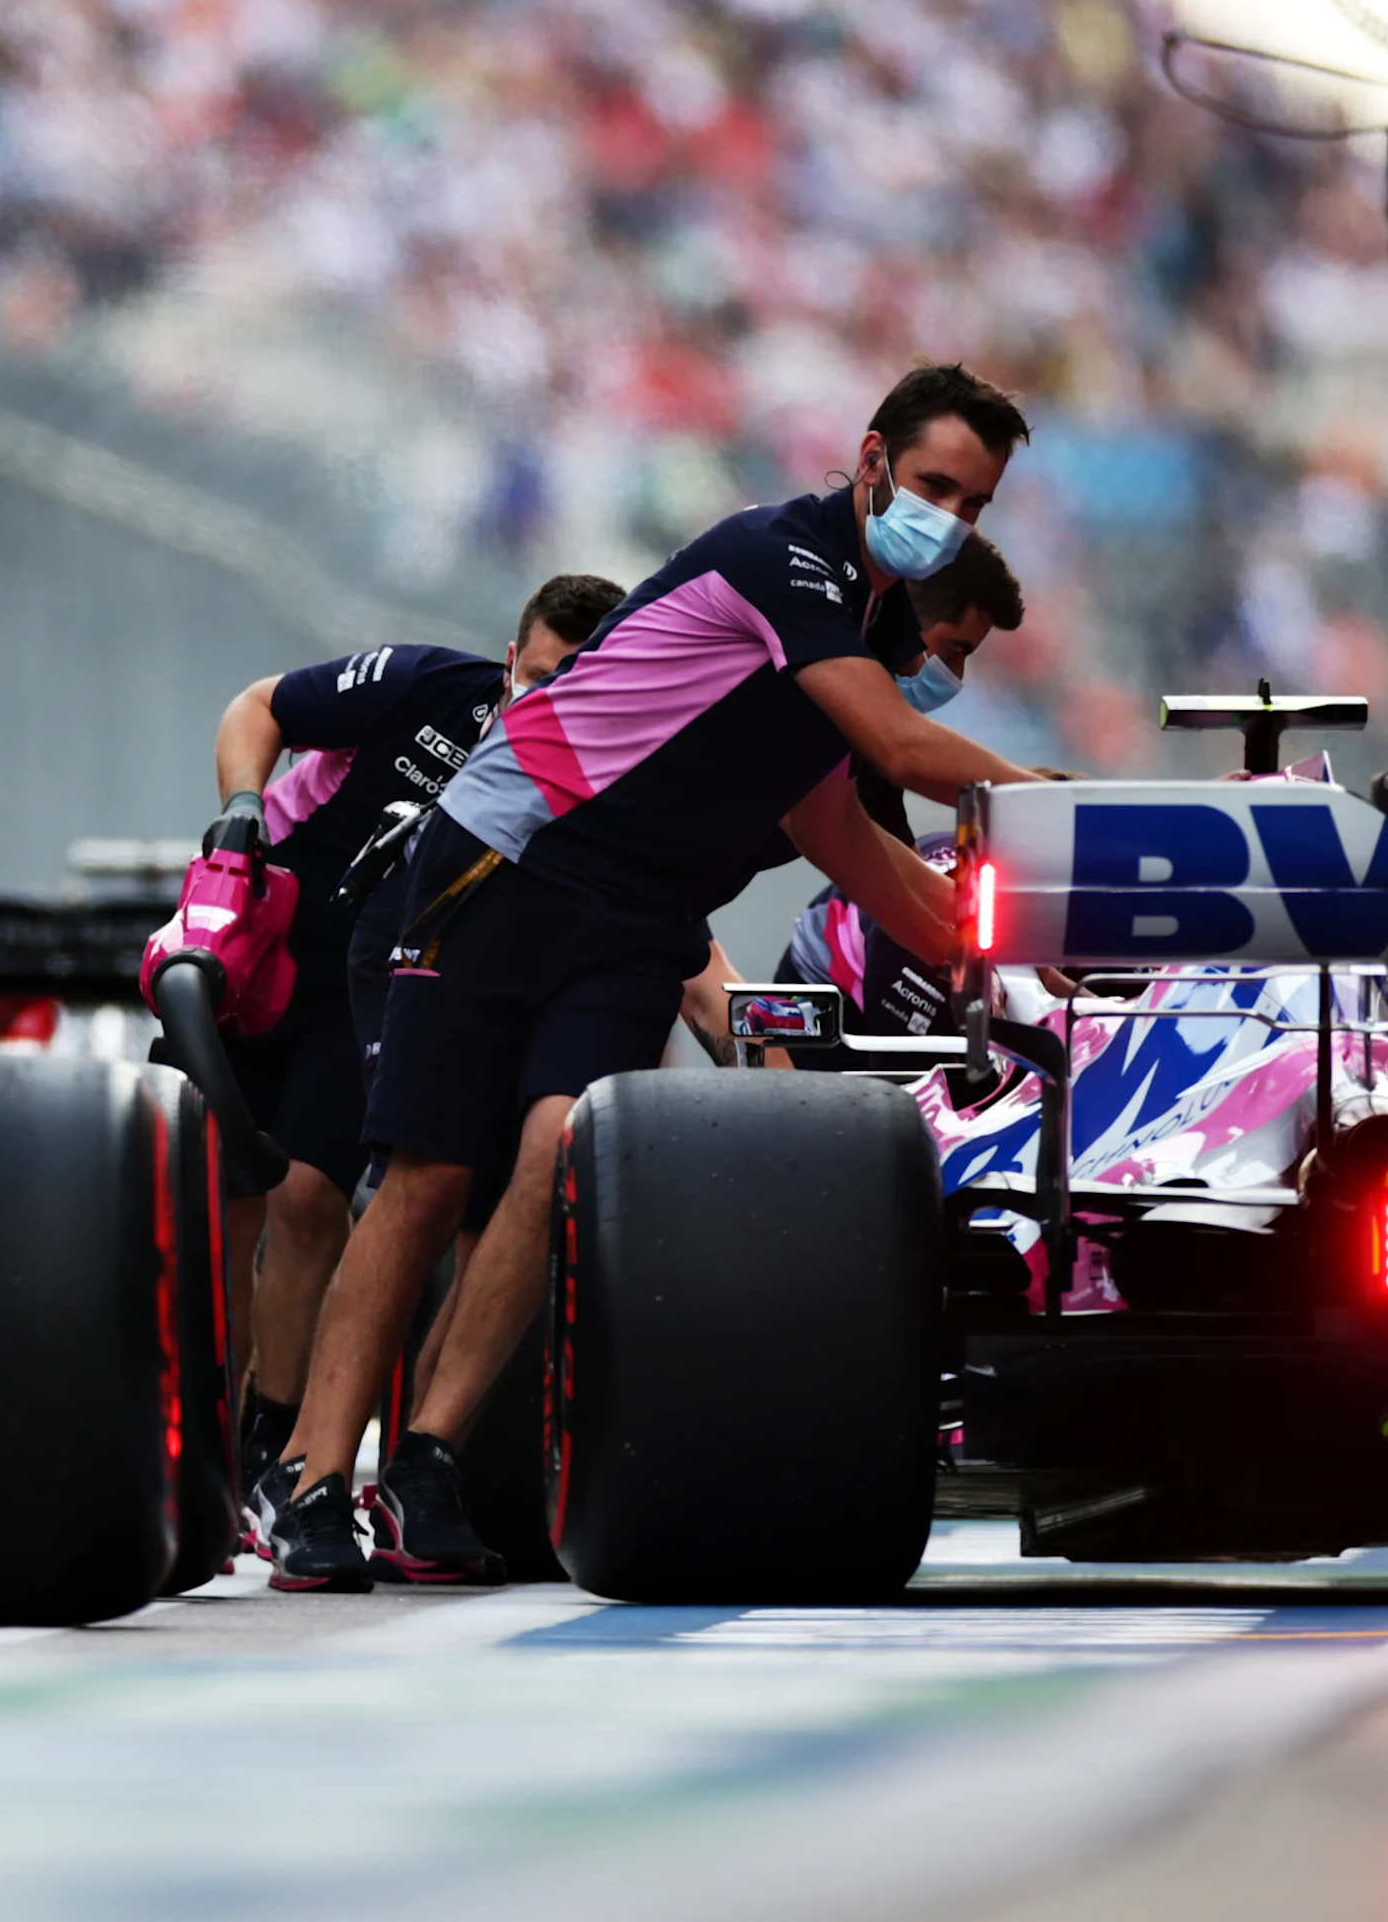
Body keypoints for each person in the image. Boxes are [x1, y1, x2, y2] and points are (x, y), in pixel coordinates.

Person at [256, 362, 1050, 1589]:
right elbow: (894, 748)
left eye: (978, 503)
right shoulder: (780, 555)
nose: (948, 517)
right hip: (512, 850)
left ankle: (424, 1462)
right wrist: (1089, 816)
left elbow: (834, 824)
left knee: (560, 1145)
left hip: (639, 911)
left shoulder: (877, 625)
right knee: (425, 1172)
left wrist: (1007, 947)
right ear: (872, 456)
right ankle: (311, 1479)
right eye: (935, 484)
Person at [204, 574, 626, 1508]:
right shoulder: (429, 684)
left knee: (307, 1196)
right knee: (217, 1200)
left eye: (581, 682)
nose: (552, 698)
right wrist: (241, 812)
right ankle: (201, 1438)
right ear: (513, 661)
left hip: (389, 982)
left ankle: (275, 1445)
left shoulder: (599, 770)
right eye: (544, 675)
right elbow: (259, 705)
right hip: (264, 933)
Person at [766, 532, 1027, 1056]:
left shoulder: (862, 757)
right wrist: (1092, 819)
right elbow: (908, 755)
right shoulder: (807, 690)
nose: (955, 677)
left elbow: (904, 881)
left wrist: (1039, 988)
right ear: (903, 619)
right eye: (954, 650)